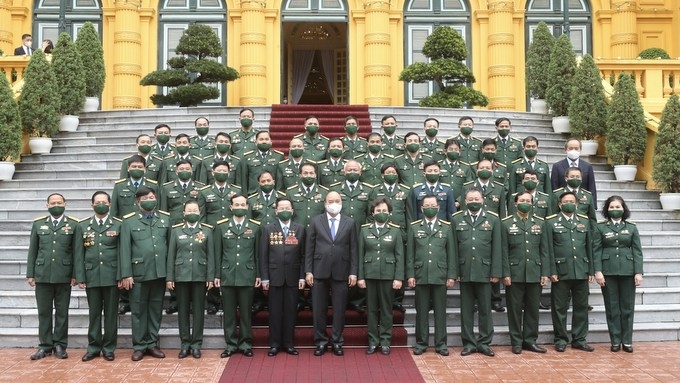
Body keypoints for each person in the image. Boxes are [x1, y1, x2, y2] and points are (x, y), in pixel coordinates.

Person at [118, 187, 170, 361]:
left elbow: (169, 248)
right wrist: (126, 274)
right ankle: (140, 346)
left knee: (155, 310)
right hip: (138, 273)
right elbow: (124, 249)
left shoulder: (165, 219)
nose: (150, 200)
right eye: (146, 198)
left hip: (159, 272)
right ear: (137, 202)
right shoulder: (129, 222)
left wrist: (170, 274)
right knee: (139, 311)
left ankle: (152, 344)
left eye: (152, 197)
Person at [305, 191, 358, 357]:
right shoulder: (315, 221)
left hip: (342, 271)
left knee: (339, 309)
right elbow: (309, 248)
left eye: (337, 200)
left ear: (342, 202)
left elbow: (354, 249)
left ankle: (337, 341)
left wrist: (354, 272)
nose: (334, 203)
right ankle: (320, 342)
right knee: (319, 309)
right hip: (319, 270)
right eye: (330, 201)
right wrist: (308, 271)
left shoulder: (350, 222)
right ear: (325, 203)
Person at [26, 193, 79, 360]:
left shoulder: (73, 224)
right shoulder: (38, 224)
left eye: (59, 202)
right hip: (42, 275)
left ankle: (60, 345)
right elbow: (33, 250)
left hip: (64, 275)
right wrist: (30, 273)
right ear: (47, 205)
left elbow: (77, 252)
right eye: (53, 203)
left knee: (62, 312)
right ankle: (45, 345)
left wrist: (76, 274)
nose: (56, 205)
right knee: (44, 312)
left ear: (65, 204)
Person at [451, 188, 502, 357]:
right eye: (470, 199)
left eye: (477, 198)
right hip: (465, 270)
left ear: (483, 200)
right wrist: (454, 271)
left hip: (485, 271)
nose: (474, 201)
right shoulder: (456, 219)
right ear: (465, 201)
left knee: (485, 309)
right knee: (466, 309)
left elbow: (497, 248)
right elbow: (453, 249)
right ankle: (469, 343)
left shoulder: (493, 219)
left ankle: (485, 342)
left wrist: (496, 271)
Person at [406, 195, 456, 356]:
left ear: (438, 208)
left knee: (440, 312)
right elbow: (410, 255)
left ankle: (441, 344)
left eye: (433, 205)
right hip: (420, 275)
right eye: (426, 205)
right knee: (421, 312)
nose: (430, 207)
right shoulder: (414, 227)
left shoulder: (447, 227)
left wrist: (451, 275)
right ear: (421, 209)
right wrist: (410, 275)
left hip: (440, 275)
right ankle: (421, 343)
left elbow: (451, 252)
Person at [74, 191, 121, 362]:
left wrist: (121, 275)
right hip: (92, 275)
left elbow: (122, 252)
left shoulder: (118, 225)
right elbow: (78, 254)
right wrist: (80, 276)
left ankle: (109, 348)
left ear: (109, 204)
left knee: (110, 314)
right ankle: (93, 347)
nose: (101, 204)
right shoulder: (83, 225)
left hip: (111, 276)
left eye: (104, 201)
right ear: (91, 205)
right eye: (97, 202)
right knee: (94, 313)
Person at [593, 196, 643, 353]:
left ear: (623, 209)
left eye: (618, 207)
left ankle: (627, 341)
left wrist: (638, 272)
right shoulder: (600, 227)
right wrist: (598, 271)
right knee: (612, 307)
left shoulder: (632, 227)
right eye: (612, 207)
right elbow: (596, 250)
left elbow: (637, 251)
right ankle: (615, 340)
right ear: (607, 210)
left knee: (627, 307)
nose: (615, 210)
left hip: (628, 271)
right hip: (608, 272)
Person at [501, 191, 549, 354]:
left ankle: (530, 340)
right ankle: (516, 341)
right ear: (515, 203)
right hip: (514, 273)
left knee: (533, 309)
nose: (525, 203)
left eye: (528, 200)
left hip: (535, 271)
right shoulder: (506, 223)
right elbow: (503, 251)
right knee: (514, 309)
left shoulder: (540, 223)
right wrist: (505, 273)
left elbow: (544, 250)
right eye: (522, 200)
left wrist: (545, 273)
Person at [166, 200, 215, 359]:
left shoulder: (207, 231)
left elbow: (211, 256)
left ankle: (196, 344)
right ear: (184, 213)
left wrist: (210, 276)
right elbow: (171, 256)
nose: (192, 212)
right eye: (189, 210)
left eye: (195, 210)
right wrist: (170, 277)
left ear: (199, 212)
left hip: (200, 276)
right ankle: (185, 343)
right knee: (183, 312)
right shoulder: (176, 231)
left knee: (199, 311)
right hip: (181, 276)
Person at [547, 191, 594, 353]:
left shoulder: (584, 221)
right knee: (559, 308)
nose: (569, 204)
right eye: (565, 201)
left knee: (581, 307)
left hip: (581, 270)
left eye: (572, 201)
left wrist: (591, 270)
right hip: (561, 272)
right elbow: (549, 249)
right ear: (560, 204)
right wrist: (551, 270)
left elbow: (589, 247)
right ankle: (560, 339)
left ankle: (579, 339)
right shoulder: (551, 222)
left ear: (576, 204)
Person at [214, 194, 261, 358]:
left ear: (247, 207)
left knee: (246, 313)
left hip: (247, 275)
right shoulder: (221, 227)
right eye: (237, 204)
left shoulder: (255, 227)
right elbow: (217, 253)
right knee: (229, 313)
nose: (240, 207)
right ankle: (231, 344)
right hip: (227, 275)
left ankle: (246, 343)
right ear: (230, 207)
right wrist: (217, 274)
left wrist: (258, 274)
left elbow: (257, 254)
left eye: (243, 204)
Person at [259, 197, 306, 356]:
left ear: (292, 211)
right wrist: (264, 277)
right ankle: (274, 344)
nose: (284, 210)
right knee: (274, 312)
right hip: (274, 277)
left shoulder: (299, 228)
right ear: (276, 211)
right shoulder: (268, 229)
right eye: (281, 208)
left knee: (291, 312)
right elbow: (263, 255)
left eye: (288, 208)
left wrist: (302, 277)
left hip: (293, 277)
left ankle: (289, 343)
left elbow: (303, 255)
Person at [358, 197, 404, 356]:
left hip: (388, 275)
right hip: (369, 275)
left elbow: (399, 255)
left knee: (386, 310)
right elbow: (360, 255)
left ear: (389, 213)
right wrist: (360, 277)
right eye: (378, 211)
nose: (381, 213)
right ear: (373, 212)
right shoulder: (364, 230)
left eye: (384, 211)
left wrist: (399, 277)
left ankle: (385, 341)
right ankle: (372, 341)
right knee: (371, 310)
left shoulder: (395, 230)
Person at [550, 137, 597, 207]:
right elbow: (554, 186)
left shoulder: (587, 166)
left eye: (576, 148)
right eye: (571, 148)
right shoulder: (557, 166)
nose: (573, 150)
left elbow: (591, 187)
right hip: (564, 205)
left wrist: (593, 206)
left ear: (580, 150)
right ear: (565, 150)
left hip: (583, 204)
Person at [160, 159, 206, 225]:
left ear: (192, 171)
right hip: (173, 225)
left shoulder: (200, 187)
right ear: (176, 171)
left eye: (187, 169)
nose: (184, 171)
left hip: (194, 225)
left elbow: (202, 211)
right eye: (181, 169)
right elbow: (163, 211)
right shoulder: (167, 188)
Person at [239, 131, 284, 195]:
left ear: (271, 142)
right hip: (253, 195)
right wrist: (245, 196)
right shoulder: (247, 157)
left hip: (273, 196)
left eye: (266, 139)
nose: (264, 141)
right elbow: (244, 179)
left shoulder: (278, 156)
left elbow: (280, 179)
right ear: (256, 142)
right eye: (261, 139)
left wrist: (279, 195)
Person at [286, 163, 328, 227]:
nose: (309, 175)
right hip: (298, 231)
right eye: (305, 173)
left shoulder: (324, 192)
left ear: (315, 175)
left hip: (318, 231)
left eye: (311, 173)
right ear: (300, 175)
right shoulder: (291, 192)